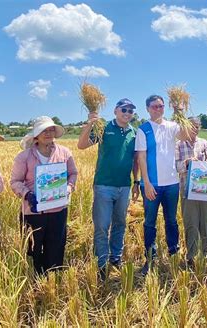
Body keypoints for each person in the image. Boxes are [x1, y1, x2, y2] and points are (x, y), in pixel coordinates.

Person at [78, 98, 140, 280]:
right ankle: (101, 264)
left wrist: (136, 181)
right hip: (104, 185)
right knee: (102, 226)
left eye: (130, 111)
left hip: (124, 186)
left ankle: (116, 258)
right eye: (124, 109)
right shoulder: (103, 128)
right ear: (115, 110)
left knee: (120, 223)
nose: (127, 113)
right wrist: (90, 124)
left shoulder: (133, 133)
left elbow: (135, 160)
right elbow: (81, 145)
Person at [11, 116, 77, 275]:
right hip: (33, 211)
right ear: (36, 135)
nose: (48, 133)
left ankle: (52, 282)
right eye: (44, 130)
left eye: (51, 130)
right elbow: (15, 182)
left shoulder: (64, 153)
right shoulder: (24, 156)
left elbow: (73, 173)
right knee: (34, 248)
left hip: (58, 210)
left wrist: (68, 188)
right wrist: (27, 195)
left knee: (55, 247)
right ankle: (35, 281)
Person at [135, 94, 191, 275]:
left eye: (160, 106)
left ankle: (174, 254)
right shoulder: (143, 129)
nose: (158, 109)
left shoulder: (172, 126)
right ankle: (150, 259)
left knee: (172, 221)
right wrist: (147, 183)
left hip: (172, 183)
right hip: (152, 185)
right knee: (150, 222)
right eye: (154, 107)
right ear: (148, 109)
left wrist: (180, 113)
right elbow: (141, 157)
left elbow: (187, 135)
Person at [175, 117, 207, 268]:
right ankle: (191, 255)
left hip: (205, 191)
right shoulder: (178, 145)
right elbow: (175, 167)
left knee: (206, 222)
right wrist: (185, 163)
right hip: (187, 190)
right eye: (192, 126)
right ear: (185, 127)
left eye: (197, 126)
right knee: (191, 222)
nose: (195, 129)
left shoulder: (204, 143)